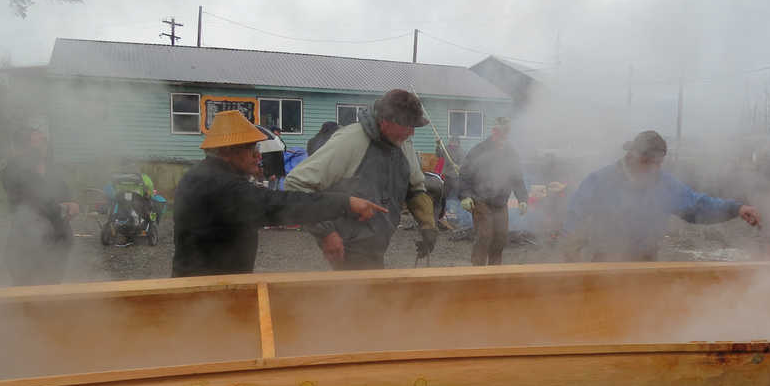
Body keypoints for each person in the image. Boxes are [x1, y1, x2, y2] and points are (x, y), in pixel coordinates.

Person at [172, 111, 385, 277]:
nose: (258, 155)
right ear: (227, 152)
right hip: (209, 289)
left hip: (204, 281)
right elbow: (279, 205)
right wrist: (345, 203)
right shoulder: (222, 186)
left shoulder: (202, 175)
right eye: (250, 149)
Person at [285, 89, 437, 270]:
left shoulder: (402, 143)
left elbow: (415, 190)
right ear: (386, 121)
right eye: (408, 126)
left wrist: (428, 224)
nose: (411, 133)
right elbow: (296, 184)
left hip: (376, 246)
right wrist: (326, 234)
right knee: (356, 296)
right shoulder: (351, 140)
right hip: (345, 248)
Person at [564, 130, 761, 262]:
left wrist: (736, 209)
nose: (655, 168)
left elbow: (697, 206)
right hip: (604, 264)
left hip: (645, 265)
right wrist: (574, 252)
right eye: (649, 162)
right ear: (633, 156)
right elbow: (575, 216)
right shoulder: (600, 181)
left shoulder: (664, 184)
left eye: (659, 163)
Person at [1, 128, 79, 285]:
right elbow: (29, 202)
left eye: (45, 140)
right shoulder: (13, 170)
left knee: (51, 292)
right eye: (37, 141)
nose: (44, 144)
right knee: (26, 293)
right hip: (26, 243)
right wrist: (61, 207)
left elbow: (65, 194)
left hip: (58, 240)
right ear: (25, 146)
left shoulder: (53, 169)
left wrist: (73, 205)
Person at [458, 117, 529, 265]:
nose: (502, 136)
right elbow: (464, 174)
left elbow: (517, 178)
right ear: (494, 131)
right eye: (499, 132)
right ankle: (478, 272)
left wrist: (522, 199)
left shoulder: (511, 153)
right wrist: (465, 196)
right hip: (480, 200)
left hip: (500, 202)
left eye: (505, 133)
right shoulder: (478, 150)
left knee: (500, 238)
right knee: (484, 236)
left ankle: (494, 272)